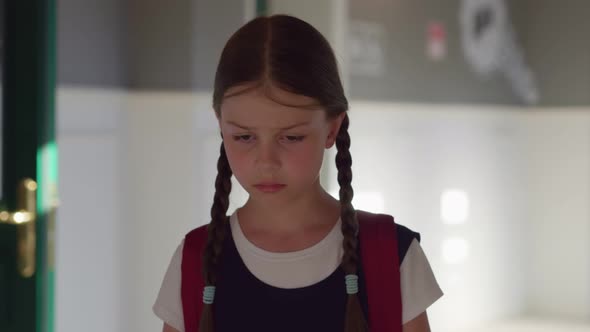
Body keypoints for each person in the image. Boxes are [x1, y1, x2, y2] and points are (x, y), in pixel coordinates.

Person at [153, 14, 442, 332]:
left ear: (332, 128)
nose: (266, 161)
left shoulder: (391, 255)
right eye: (244, 137)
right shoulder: (194, 260)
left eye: (291, 137)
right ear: (221, 124)